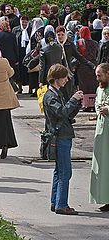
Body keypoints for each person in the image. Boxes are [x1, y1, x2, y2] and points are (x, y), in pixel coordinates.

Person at [43, 64, 83, 215]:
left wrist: (77, 104)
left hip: (63, 134)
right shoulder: (50, 96)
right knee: (65, 172)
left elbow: (67, 115)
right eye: (64, 77)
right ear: (57, 78)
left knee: (59, 171)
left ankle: (56, 202)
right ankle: (61, 204)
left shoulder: (56, 93)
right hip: (60, 137)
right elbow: (61, 112)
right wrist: (73, 100)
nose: (66, 80)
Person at [89, 63, 109, 212]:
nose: (97, 78)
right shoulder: (99, 88)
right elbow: (97, 104)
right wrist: (99, 109)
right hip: (101, 130)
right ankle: (105, 198)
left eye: (99, 75)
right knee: (102, 165)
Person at [76, 26, 98, 94]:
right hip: (93, 66)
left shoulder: (79, 43)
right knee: (93, 86)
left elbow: (76, 55)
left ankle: (84, 102)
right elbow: (97, 55)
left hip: (82, 67)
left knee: (83, 87)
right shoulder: (95, 43)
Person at [12, 16, 31, 93]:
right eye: (23, 22)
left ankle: (30, 88)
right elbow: (13, 41)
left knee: (28, 69)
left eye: (26, 22)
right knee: (19, 70)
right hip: (19, 52)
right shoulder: (16, 30)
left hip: (28, 53)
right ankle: (20, 87)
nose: (24, 24)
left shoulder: (30, 29)